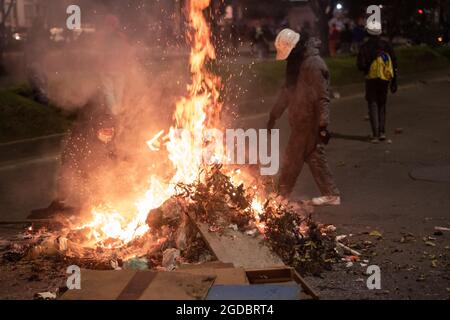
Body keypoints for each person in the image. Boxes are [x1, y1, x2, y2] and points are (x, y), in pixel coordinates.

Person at [267, 29, 340, 206]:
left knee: (293, 157)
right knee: (314, 156)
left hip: (309, 122)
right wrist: (273, 115)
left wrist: (322, 125)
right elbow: (287, 92)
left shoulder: (313, 65)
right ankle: (331, 194)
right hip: (301, 121)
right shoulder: (296, 63)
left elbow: (322, 97)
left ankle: (281, 195)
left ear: (296, 48)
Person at [357, 21, 398, 143]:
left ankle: (375, 135)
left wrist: (368, 66)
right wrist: (394, 81)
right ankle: (382, 133)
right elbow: (394, 63)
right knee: (382, 104)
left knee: (373, 104)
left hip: (371, 79)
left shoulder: (365, 46)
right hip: (384, 79)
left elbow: (360, 65)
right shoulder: (386, 45)